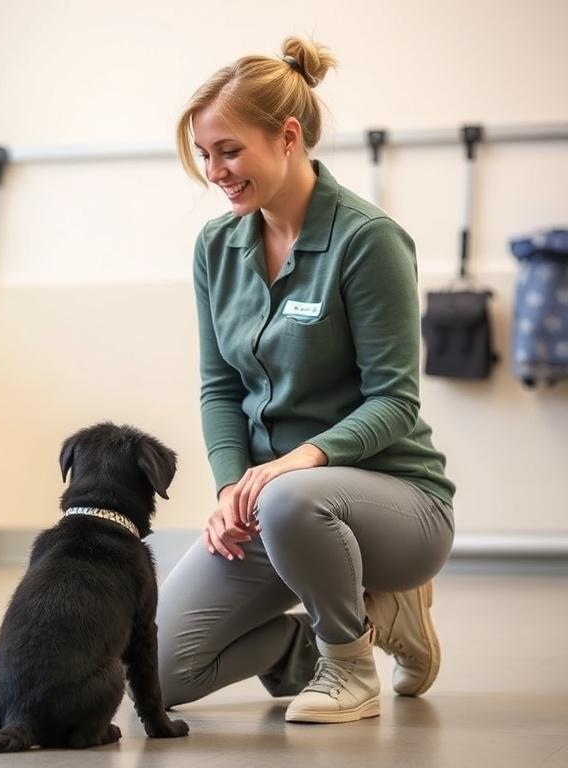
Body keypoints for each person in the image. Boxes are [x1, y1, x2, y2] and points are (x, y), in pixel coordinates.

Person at [156, 36, 456, 724]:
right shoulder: (216, 248)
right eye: (205, 155)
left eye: (229, 150)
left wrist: (296, 462)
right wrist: (232, 487)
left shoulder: (367, 240)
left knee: (292, 498)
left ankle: (350, 665)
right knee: (150, 673)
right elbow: (219, 389)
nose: (215, 171)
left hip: (397, 504)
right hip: (276, 507)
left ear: (288, 136)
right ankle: (304, 639)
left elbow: (395, 402)